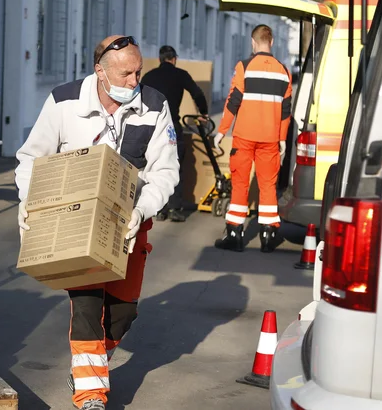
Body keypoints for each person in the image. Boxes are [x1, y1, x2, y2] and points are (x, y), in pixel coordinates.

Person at [15, 35, 179, 410]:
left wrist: (141, 210)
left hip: (131, 224)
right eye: (125, 74)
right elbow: (30, 158)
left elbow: (166, 172)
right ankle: (91, 396)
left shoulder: (154, 106)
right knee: (87, 308)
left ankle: (90, 368)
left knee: (123, 314)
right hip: (76, 223)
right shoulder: (63, 101)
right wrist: (30, 201)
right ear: (100, 71)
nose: (134, 81)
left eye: (138, 71)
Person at [213, 24, 292, 253]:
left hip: (244, 137)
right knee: (268, 185)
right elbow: (286, 111)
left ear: (253, 42)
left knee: (240, 184)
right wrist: (282, 139)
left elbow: (232, 101)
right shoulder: (284, 72)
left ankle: (235, 235)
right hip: (270, 139)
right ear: (272, 42)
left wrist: (221, 131)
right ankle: (268, 236)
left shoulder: (244, 67)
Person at [140, 45, 208, 222]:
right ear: (174, 59)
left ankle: (159, 209)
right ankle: (175, 209)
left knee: (154, 166)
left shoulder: (149, 76)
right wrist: (204, 112)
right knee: (174, 165)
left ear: (159, 59)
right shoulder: (180, 75)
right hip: (171, 127)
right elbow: (197, 93)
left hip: (151, 128)